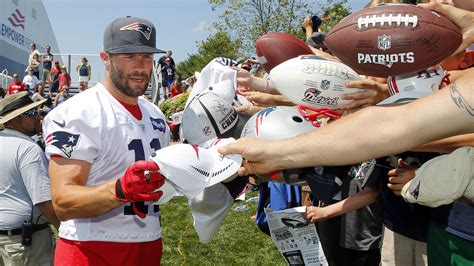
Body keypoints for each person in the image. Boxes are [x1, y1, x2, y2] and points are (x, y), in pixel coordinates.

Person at [43, 16, 169, 265]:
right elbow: (63, 202)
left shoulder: (155, 114)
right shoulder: (78, 112)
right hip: (91, 250)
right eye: (129, 56)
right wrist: (119, 190)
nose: (140, 67)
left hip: (148, 243)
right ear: (105, 58)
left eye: (146, 57)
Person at [0, 92, 59, 265]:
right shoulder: (28, 148)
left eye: (38, 111)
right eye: (31, 113)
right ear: (13, 121)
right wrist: (64, 230)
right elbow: (43, 199)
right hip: (25, 243)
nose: (39, 116)